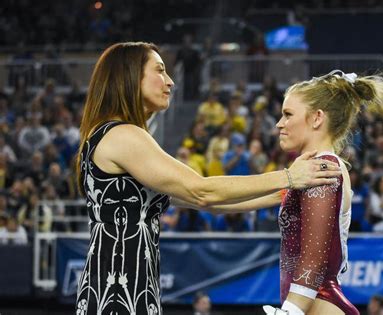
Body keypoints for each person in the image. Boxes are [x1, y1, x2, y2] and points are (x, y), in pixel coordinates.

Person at [74, 42, 341, 315]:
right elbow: (201, 190)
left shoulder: (111, 136)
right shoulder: (123, 135)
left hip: (120, 286)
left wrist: (284, 193)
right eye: (160, 70)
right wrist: (287, 177)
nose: (170, 81)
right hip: (118, 293)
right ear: (129, 76)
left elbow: (206, 203)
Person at [180, 70, 383, 314]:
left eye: (287, 114)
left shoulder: (323, 168)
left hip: (318, 304)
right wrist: (172, 195)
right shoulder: (305, 174)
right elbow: (218, 202)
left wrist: (290, 312)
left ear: (317, 118)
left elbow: (315, 259)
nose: (279, 124)